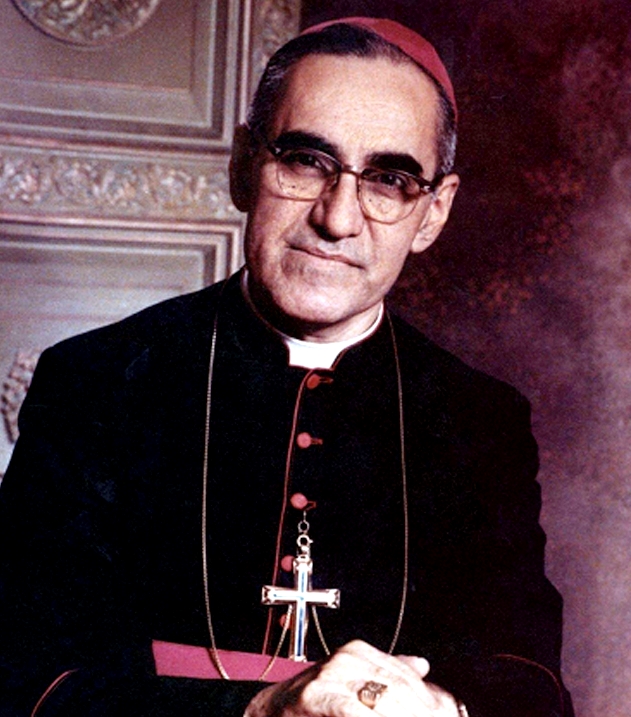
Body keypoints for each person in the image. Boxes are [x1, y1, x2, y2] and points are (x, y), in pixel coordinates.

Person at [0, 17, 573, 717]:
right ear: (245, 166)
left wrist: (442, 708)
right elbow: (19, 678)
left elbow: (531, 683)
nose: (337, 218)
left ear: (432, 213)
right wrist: (260, 710)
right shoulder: (97, 381)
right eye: (305, 160)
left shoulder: (479, 420)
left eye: (389, 179)